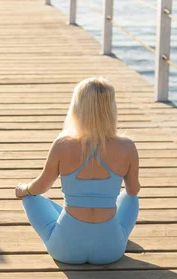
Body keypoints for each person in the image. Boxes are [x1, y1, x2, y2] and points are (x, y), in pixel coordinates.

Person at [15, 77, 140, 265]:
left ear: (78, 108)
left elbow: (41, 187)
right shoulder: (127, 146)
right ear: (111, 110)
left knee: (31, 197)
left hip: (66, 249)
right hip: (110, 250)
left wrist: (23, 189)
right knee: (130, 198)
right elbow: (133, 190)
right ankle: (109, 231)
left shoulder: (63, 144)